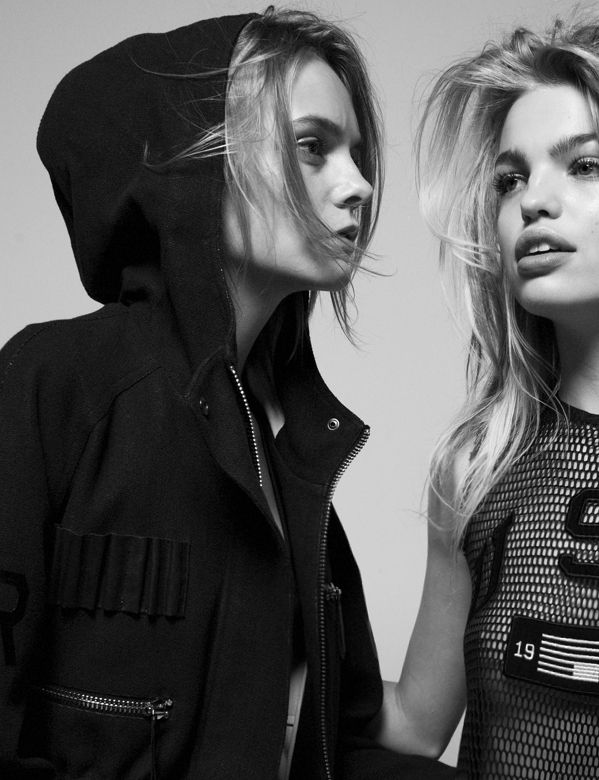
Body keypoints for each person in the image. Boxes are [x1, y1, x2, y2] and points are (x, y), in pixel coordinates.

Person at [0, 7, 456, 779]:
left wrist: (458, 523)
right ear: (198, 160)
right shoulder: (56, 383)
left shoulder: (289, 446)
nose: (359, 185)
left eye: (355, 153)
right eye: (312, 147)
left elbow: (346, 739)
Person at [371, 14, 599, 779]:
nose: (533, 201)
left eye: (584, 165)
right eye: (510, 179)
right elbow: (414, 725)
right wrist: (236, 656)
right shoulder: (476, 468)